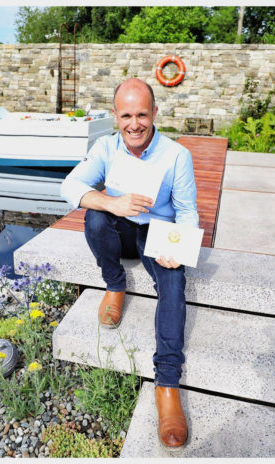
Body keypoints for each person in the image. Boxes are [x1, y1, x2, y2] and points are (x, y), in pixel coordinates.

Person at [60, 78, 198, 448]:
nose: (134, 123)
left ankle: (167, 386)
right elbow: (69, 187)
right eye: (126, 115)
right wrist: (111, 202)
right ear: (115, 116)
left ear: (154, 113)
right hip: (120, 230)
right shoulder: (105, 147)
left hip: (157, 233)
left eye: (141, 114)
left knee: (173, 280)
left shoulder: (176, 155)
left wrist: (179, 249)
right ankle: (115, 284)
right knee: (94, 216)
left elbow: (187, 212)